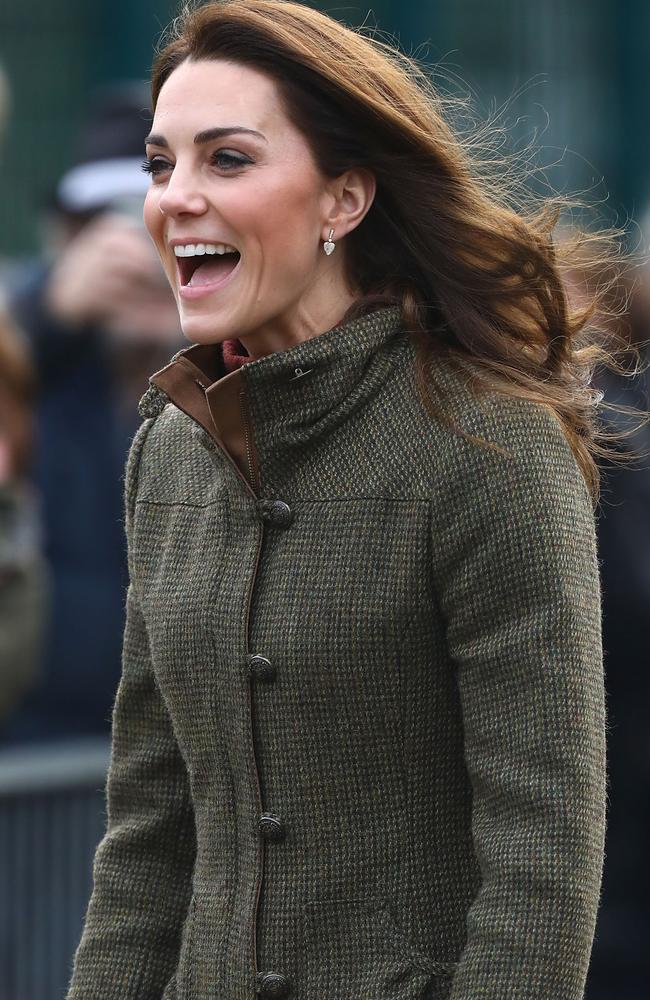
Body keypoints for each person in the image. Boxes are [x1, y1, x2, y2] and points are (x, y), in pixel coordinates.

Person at [64, 3, 629, 998]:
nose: (174, 199)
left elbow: (540, 851)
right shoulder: (170, 445)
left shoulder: (485, 442)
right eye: (161, 166)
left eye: (226, 160)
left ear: (344, 199)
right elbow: (149, 835)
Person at [1, 83, 184, 742]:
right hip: (33, 760)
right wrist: (44, 318)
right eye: (113, 222)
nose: (143, 254)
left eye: (162, 218)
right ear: (66, 240)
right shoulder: (34, 351)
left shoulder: (240, 371)